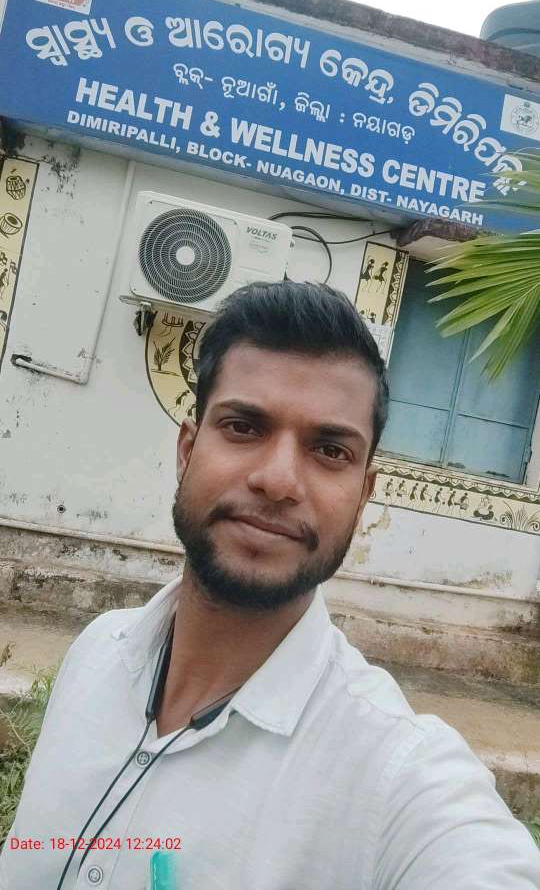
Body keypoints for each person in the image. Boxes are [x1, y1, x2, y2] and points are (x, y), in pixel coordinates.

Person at [1, 281, 538, 889]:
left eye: (330, 450)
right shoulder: (97, 652)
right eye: (243, 427)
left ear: (363, 495)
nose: (279, 480)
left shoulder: (398, 777)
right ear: (187, 450)